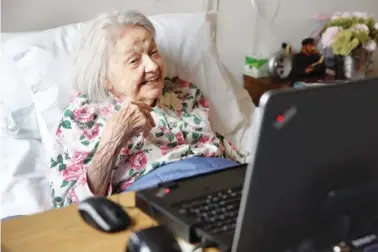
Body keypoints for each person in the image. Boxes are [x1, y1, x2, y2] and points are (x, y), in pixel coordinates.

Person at [49, 11, 246, 207]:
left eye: (153, 53)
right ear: (105, 78)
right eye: (134, 60)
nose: (152, 66)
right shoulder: (84, 116)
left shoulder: (184, 93)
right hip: (157, 200)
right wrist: (113, 140)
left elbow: (221, 146)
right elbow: (70, 209)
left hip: (226, 183)